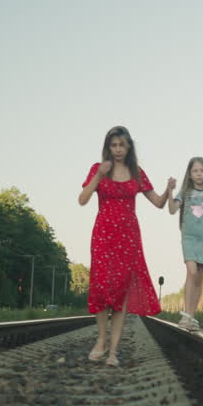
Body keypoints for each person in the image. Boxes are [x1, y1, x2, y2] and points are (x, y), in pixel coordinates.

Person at [79, 126, 175, 366]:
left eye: (122, 145)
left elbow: (159, 203)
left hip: (128, 237)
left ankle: (113, 351)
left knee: (121, 292)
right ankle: (101, 341)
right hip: (103, 234)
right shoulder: (98, 169)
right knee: (101, 288)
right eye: (114, 145)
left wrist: (168, 190)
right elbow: (82, 200)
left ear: (129, 146)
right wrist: (100, 176)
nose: (118, 150)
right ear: (108, 147)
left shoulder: (136, 172)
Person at [167, 156, 203, 332]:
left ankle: (191, 317)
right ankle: (186, 315)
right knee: (191, 271)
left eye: (202, 171)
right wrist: (170, 191)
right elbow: (171, 210)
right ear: (190, 174)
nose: (199, 174)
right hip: (189, 238)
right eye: (195, 171)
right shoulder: (185, 193)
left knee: (199, 277)